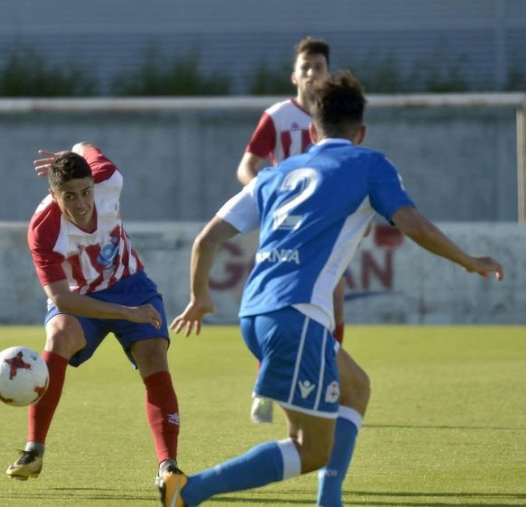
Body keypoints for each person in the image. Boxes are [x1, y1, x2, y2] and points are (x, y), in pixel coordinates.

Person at [160, 71, 503, 506]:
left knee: (356, 386)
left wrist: (200, 297)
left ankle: (329, 498)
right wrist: (469, 260)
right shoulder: (368, 163)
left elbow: (205, 239)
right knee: (309, 448)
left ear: (311, 129)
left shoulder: (275, 174)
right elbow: (411, 223)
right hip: (297, 315)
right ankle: (191, 490)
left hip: (259, 312)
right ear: (361, 132)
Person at [7, 142, 182, 482]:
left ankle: (168, 465)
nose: (83, 203)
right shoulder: (43, 230)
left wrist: (68, 153)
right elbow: (62, 300)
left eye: (86, 192)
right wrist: (127, 314)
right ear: (54, 196)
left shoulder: (109, 180)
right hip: (79, 296)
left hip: (130, 281)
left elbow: (86, 146)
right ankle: (34, 451)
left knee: (154, 355)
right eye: (70, 196)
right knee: (59, 335)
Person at [236, 36, 344, 424]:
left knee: (335, 294)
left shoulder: (336, 116)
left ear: (328, 72)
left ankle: (326, 380)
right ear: (294, 75)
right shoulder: (278, 116)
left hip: (326, 221)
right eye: (306, 67)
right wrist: (268, 196)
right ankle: (267, 382)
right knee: (278, 301)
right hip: (288, 224)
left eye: (319, 66)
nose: (313, 73)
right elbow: (246, 166)